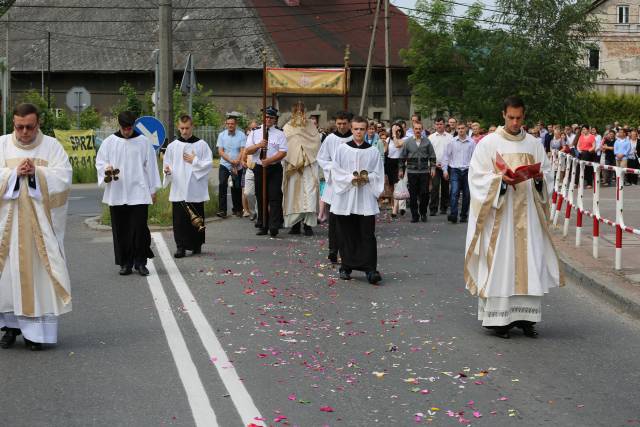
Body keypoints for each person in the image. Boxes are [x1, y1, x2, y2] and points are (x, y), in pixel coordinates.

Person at [465, 96, 562, 339]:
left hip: (527, 215)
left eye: (519, 118)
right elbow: (476, 178)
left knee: (530, 263)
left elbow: (547, 175)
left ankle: (526, 318)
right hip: (501, 217)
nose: (515, 122)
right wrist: (499, 181)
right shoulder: (488, 144)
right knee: (502, 263)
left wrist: (539, 179)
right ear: (503, 115)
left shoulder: (534, 144)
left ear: (524, 116)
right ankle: (499, 322)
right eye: (511, 117)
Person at [0, 103, 72, 351]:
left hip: (38, 231)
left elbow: (64, 178)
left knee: (38, 279)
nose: (24, 132)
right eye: (19, 127)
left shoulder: (51, 146)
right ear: (13, 125)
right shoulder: (2, 144)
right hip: (7, 230)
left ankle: (36, 335)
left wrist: (36, 174)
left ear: (38, 123)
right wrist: (11, 174)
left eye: (29, 127)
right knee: (7, 281)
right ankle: (9, 328)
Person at [96, 111, 161, 276]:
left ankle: (140, 262)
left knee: (139, 229)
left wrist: (153, 190)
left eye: (129, 128)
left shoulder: (143, 142)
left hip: (139, 192)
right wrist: (106, 168)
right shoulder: (109, 142)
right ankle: (125, 263)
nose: (127, 131)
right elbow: (100, 162)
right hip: (117, 192)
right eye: (124, 128)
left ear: (133, 126)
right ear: (120, 126)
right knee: (121, 230)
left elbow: (151, 167)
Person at [330, 116, 384, 285]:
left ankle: (370, 269)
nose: (359, 132)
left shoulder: (373, 151)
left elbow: (378, 173)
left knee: (367, 233)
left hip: (365, 197)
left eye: (362, 129)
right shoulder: (342, 149)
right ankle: (346, 267)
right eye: (356, 129)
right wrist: (350, 178)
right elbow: (335, 171)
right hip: (346, 197)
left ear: (367, 129)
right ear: (351, 130)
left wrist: (367, 178)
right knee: (346, 232)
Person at [162, 115, 213, 258]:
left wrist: (195, 160)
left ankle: (196, 245)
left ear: (192, 127)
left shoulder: (202, 145)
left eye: (187, 128)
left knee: (196, 218)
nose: (184, 131)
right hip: (179, 188)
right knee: (179, 220)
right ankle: (180, 247)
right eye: (182, 128)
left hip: (195, 188)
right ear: (178, 128)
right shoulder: (172, 146)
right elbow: (167, 165)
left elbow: (208, 165)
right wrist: (167, 172)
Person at [244, 106, 288, 237]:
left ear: (275, 119)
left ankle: (274, 225)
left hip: (274, 168)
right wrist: (259, 145)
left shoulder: (279, 133)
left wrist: (269, 160)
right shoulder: (255, 132)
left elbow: (283, 152)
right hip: (259, 168)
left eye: (271, 117)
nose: (268, 119)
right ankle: (263, 224)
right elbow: (248, 150)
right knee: (261, 196)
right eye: (266, 117)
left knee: (274, 196)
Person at [317, 111, 353, 263]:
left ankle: (348, 249)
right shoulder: (330, 139)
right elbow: (322, 158)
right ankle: (333, 249)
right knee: (334, 218)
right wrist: (334, 168)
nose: (342, 126)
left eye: (344, 123)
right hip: (334, 182)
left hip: (351, 183)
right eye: (339, 123)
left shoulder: (355, 137)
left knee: (349, 218)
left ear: (350, 123)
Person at [282, 102, 321, 236]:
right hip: (293, 166)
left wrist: (306, 155)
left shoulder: (311, 125)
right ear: (293, 112)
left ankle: (308, 225)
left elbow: (316, 142)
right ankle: (295, 225)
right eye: (296, 110)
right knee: (293, 194)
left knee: (310, 194)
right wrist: (295, 157)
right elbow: (285, 144)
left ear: (304, 111)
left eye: (301, 110)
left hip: (309, 165)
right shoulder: (287, 127)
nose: (299, 112)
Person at [400, 122, 436, 223]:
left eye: (420, 129)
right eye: (416, 129)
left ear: (422, 130)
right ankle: (414, 215)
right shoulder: (407, 142)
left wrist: (433, 168)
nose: (418, 131)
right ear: (413, 129)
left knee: (424, 194)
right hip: (412, 171)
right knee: (413, 194)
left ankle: (423, 213)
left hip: (424, 171)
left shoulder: (427, 141)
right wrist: (400, 170)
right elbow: (402, 156)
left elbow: (432, 155)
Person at [442, 123, 475, 224]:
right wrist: (445, 170)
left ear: (466, 129)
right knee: (454, 192)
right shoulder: (452, 142)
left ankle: (463, 215)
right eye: (459, 128)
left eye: (462, 128)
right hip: (455, 170)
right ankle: (454, 214)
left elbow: (475, 158)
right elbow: (446, 157)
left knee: (467, 194)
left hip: (467, 170)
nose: (461, 130)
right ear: (456, 129)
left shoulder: (472, 142)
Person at [216, 115, 245, 218]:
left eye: (232, 124)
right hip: (225, 164)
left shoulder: (241, 135)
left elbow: (243, 150)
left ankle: (237, 209)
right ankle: (222, 211)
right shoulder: (221, 135)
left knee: (236, 187)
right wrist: (230, 161)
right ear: (226, 124)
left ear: (235, 124)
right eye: (228, 124)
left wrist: (237, 161)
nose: (230, 125)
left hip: (237, 165)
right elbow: (220, 151)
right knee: (222, 185)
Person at [428, 117, 452, 216]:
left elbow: (452, 153)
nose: (439, 126)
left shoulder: (450, 137)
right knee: (435, 187)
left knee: (446, 187)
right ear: (435, 125)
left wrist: (448, 164)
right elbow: (428, 153)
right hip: (435, 166)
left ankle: (444, 207)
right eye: (437, 124)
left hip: (447, 166)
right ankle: (433, 208)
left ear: (444, 125)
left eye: (441, 124)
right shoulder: (431, 138)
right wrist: (433, 164)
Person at [386, 123, 406, 218]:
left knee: (397, 185)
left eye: (399, 131)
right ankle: (394, 205)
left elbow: (397, 145)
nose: (397, 132)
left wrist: (394, 133)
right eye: (395, 130)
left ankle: (395, 210)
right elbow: (385, 151)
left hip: (399, 163)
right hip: (389, 162)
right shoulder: (388, 139)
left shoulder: (404, 139)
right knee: (391, 187)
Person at [242, 120, 259, 220]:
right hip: (249, 169)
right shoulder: (249, 139)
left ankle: (258, 212)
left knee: (259, 193)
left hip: (259, 169)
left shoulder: (261, 138)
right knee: (248, 193)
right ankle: (253, 211)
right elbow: (245, 153)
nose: (253, 130)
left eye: (255, 128)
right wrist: (243, 161)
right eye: (252, 128)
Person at [576, 124, 596, 188]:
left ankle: (589, 183)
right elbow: (578, 145)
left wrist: (588, 151)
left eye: (584, 129)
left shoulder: (592, 136)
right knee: (578, 167)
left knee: (588, 168)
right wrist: (579, 150)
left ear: (587, 129)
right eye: (582, 129)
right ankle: (576, 182)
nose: (583, 130)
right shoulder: (581, 136)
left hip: (589, 153)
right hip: (581, 153)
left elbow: (594, 146)